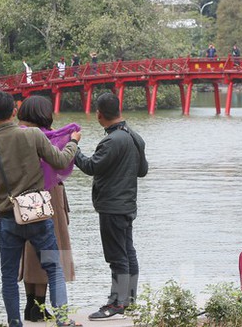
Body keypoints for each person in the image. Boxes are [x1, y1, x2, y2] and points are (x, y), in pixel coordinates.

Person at [0, 91, 81, 327]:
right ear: (14, 111)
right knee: (54, 269)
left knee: (9, 278)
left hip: (9, 220)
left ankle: (15, 323)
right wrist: (73, 141)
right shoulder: (33, 135)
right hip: (38, 217)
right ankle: (63, 321)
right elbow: (61, 161)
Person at [74, 93, 148, 321]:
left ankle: (116, 303)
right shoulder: (135, 137)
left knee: (117, 257)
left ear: (99, 114)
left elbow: (90, 166)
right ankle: (130, 300)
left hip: (112, 207)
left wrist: (72, 147)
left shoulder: (111, 141)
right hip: (127, 205)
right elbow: (142, 171)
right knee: (128, 252)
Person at [17, 96, 77, 322]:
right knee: (50, 250)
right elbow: (62, 161)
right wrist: (73, 141)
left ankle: (31, 306)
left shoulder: (17, 135)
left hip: (24, 195)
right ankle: (40, 308)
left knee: (30, 250)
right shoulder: (47, 137)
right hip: (48, 196)